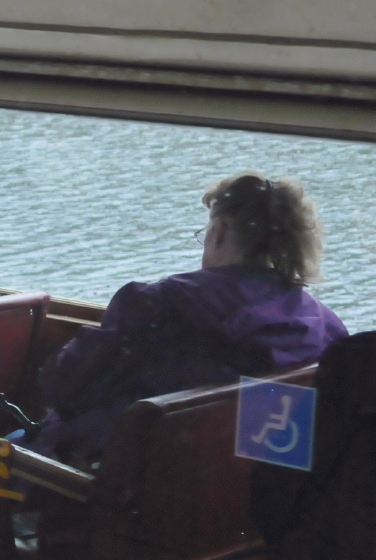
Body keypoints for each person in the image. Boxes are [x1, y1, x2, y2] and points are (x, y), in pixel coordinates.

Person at [35, 173, 347, 466]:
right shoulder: (326, 328)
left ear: (220, 231)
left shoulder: (160, 305)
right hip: (246, 502)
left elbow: (65, 388)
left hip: (129, 489)